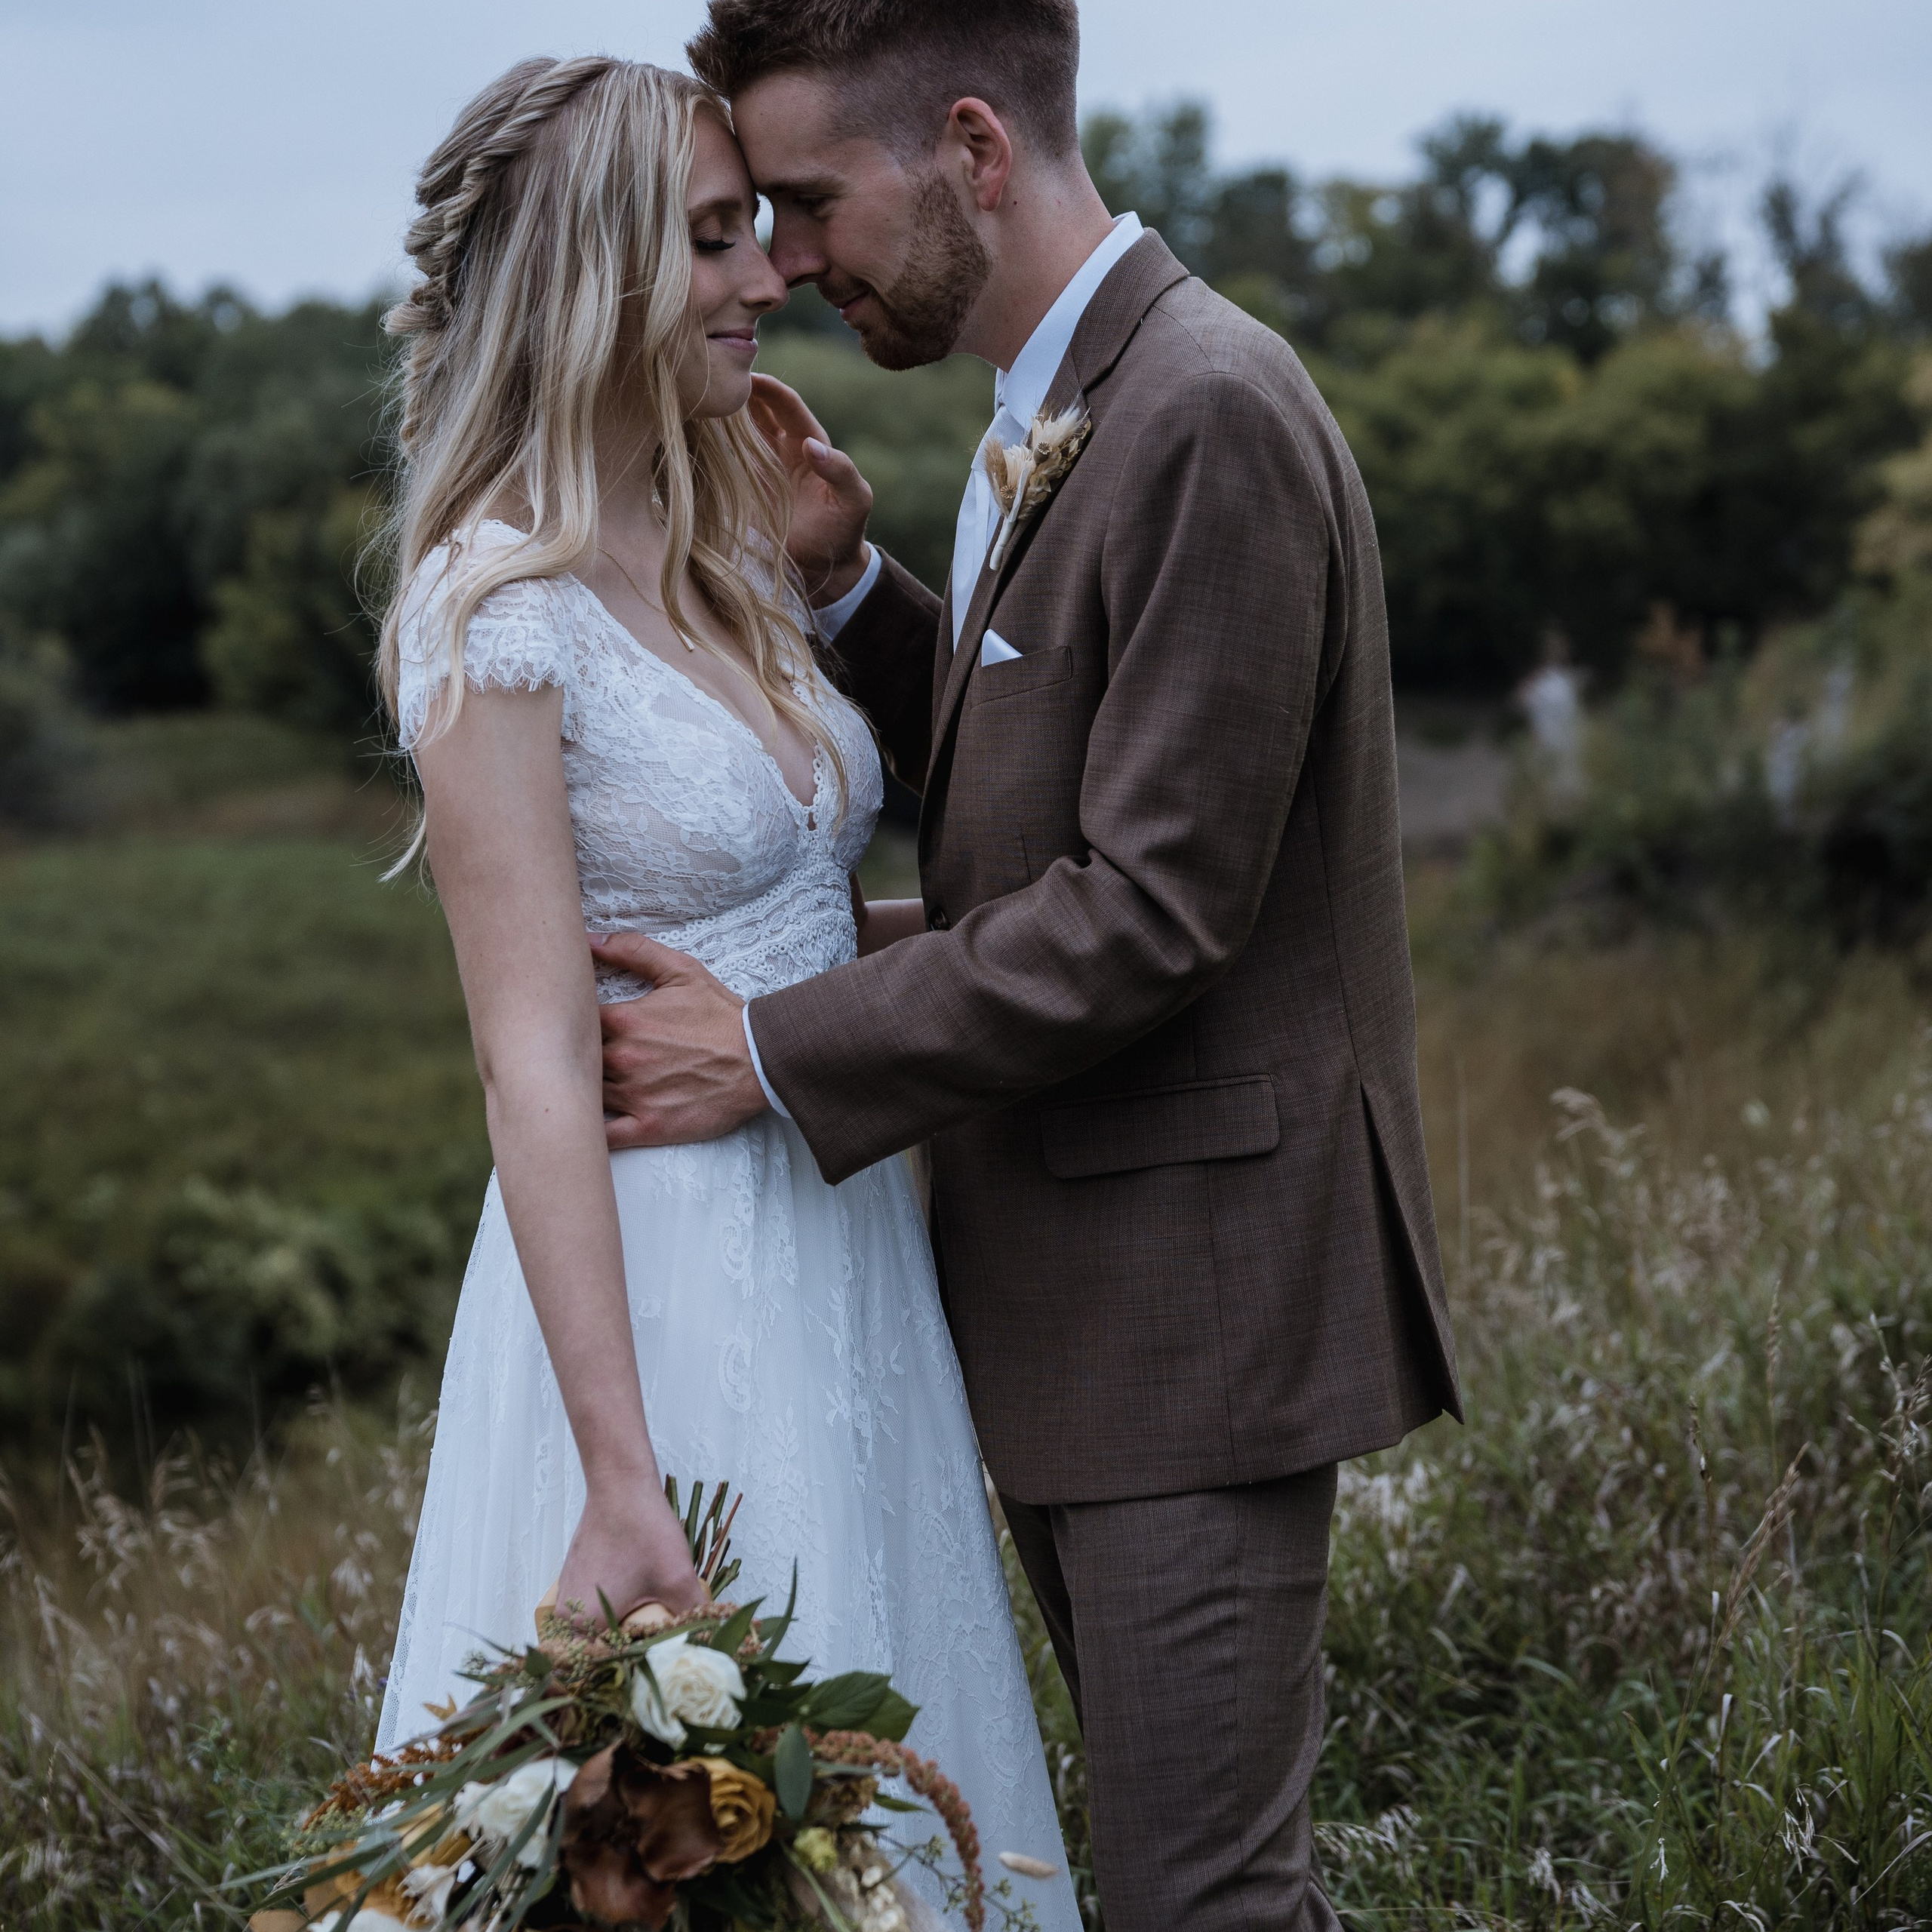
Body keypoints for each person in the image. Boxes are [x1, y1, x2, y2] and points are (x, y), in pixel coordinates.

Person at [590, 4, 1466, 1927]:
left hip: (1192, 1302)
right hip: (1099, 1294)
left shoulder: (1201, 408)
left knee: (1197, 1897)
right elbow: (1046, 791)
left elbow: (1148, 904)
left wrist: (775, 1044)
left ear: (971, 150)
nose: (784, 262)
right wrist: (845, 589)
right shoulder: (1065, 398)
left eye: (808, 199)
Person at [371, 54, 1081, 1929]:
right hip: (661, 1288)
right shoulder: (490, 608)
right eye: (709, 239)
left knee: (882, 1792)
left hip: (843, 1245)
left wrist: (833, 572)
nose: (765, 276)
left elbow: (802, 917)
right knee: (683, 1839)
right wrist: (620, 1473)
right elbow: (533, 1060)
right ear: (588, 270)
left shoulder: (725, 544)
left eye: (755, 230)